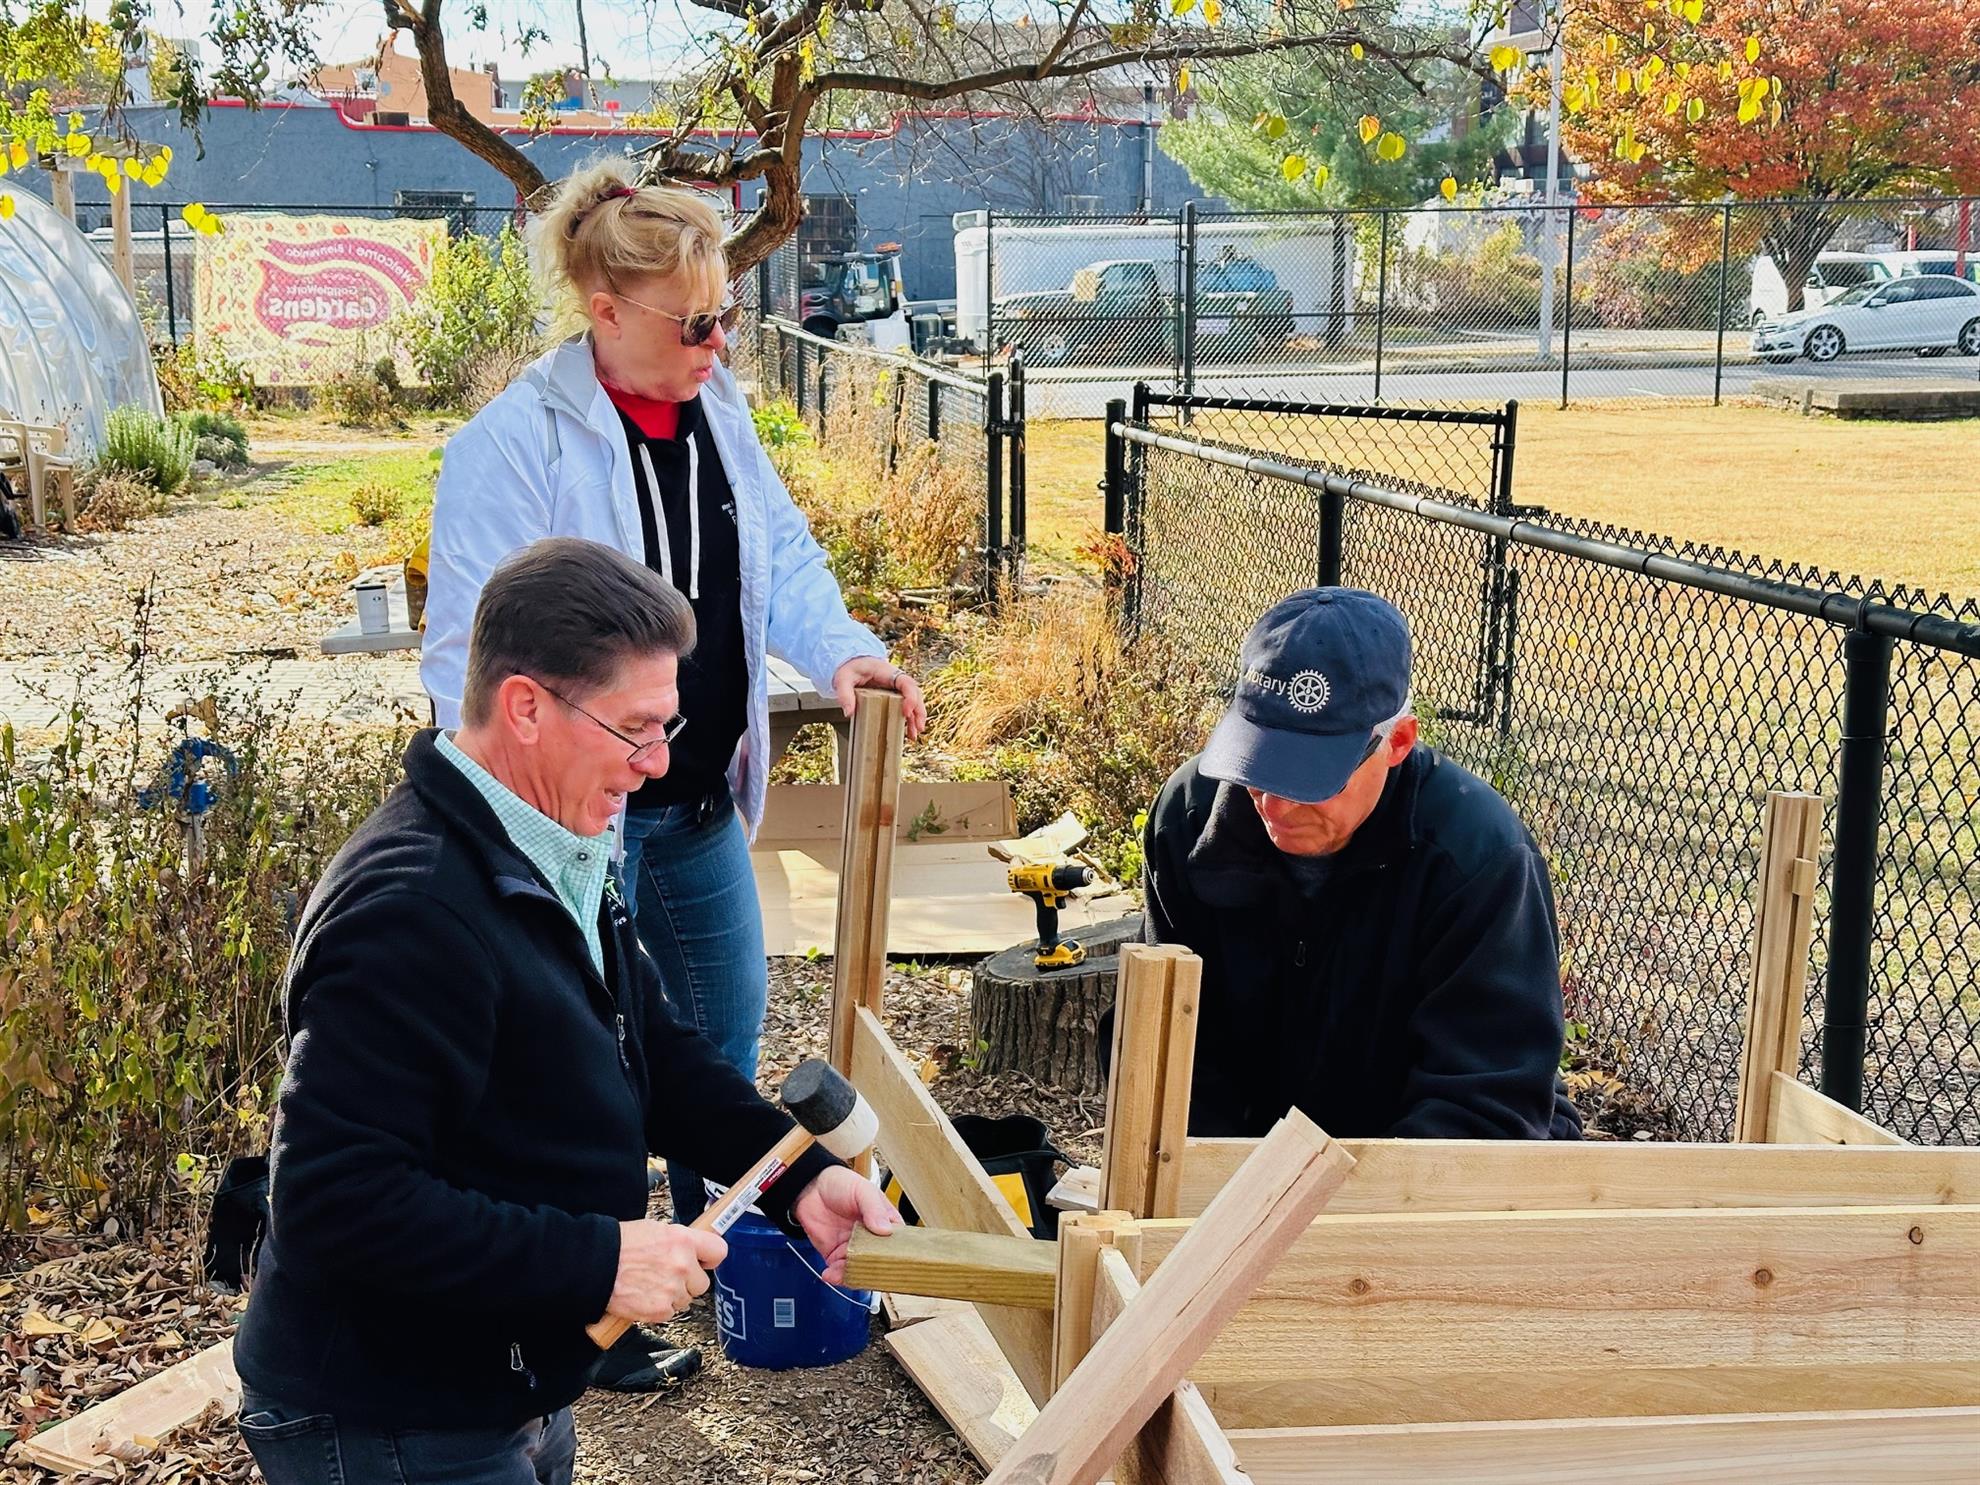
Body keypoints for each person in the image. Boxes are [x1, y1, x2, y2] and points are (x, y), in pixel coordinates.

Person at [234, 539, 902, 1484]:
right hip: (389, 1413)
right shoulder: (413, 914)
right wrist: (595, 1261)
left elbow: (655, 1054)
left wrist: (795, 1180)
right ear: (525, 707)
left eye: (665, 728)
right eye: (635, 730)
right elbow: (332, 1203)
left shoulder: (543, 840)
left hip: (505, 1374)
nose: (657, 763)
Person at [421, 160, 925, 1237]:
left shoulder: (718, 410)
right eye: (695, 323)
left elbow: (779, 557)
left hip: (693, 801)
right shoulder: (512, 447)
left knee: (713, 1044)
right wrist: (504, 832)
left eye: (727, 317)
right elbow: (464, 653)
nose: (720, 344)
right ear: (605, 311)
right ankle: (584, 1299)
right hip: (570, 816)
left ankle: (725, 1250)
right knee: (567, 1068)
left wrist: (841, 652)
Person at [1135, 587, 1582, 1140]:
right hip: (1252, 1158)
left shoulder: (1479, 860)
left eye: (1310, 777)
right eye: (1258, 764)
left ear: (1397, 742)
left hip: (1418, 1166)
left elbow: (1485, 1108)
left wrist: (1348, 1217)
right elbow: (1173, 1055)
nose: (1274, 804)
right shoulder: (1189, 818)